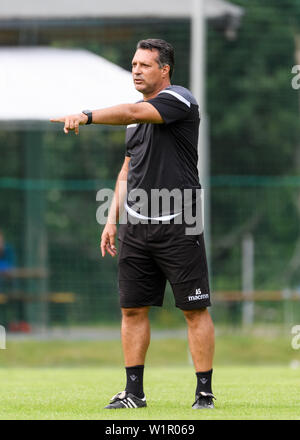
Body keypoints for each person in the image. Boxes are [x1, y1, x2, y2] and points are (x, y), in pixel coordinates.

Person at [51, 39, 215, 410]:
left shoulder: (180, 100)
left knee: (194, 310)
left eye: (144, 64)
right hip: (137, 228)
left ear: (164, 70)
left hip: (180, 222)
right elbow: (128, 169)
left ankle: (204, 394)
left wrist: (86, 115)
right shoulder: (136, 116)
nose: (136, 70)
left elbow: (129, 113)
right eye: (133, 64)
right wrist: (111, 219)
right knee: (132, 310)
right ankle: (134, 394)